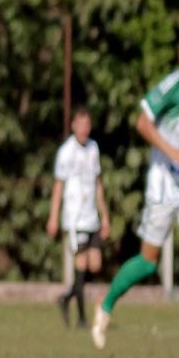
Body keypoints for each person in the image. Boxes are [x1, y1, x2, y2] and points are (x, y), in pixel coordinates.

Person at [90, 24, 179, 358]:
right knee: (147, 261)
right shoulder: (173, 85)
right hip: (163, 181)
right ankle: (106, 303)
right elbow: (142, 122)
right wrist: (170, 150)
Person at [46, 106, 111, 330]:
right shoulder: (66, 152)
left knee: (94, 264)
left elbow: (98, 184)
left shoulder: (93, 149)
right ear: (73, 126)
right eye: (80, 124)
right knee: (81, 264)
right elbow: (58, 186)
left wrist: (105, 216)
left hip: (91, 216)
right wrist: (53, 217)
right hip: (74, 219)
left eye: (87, 124)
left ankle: (66, 298)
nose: (84, 128)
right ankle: (82, 318)